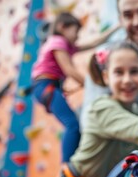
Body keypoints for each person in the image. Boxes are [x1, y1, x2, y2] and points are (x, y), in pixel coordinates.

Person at [55, 41, 138, 177]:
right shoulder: (102, 107)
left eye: (134, 71)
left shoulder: (135, 112)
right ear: (106, 77)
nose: (127, 80)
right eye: (119, 72)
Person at [31, 12, 119, 162]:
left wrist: (117, 27)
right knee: (72, 124)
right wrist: (96, 85)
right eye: (76, 31)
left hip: (47, 87)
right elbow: (69, 70)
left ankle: (76, 159)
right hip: (45, 86)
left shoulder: (67, 45)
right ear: (62, 27)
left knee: (76, 122)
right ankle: (68, 166)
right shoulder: (57, 41)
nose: (77, 36)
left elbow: (93, 43)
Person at [79, 0, 138, 129]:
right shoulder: (107, 58)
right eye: (128, 15)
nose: (137, 22)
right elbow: (92, 121)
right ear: (120, 20)